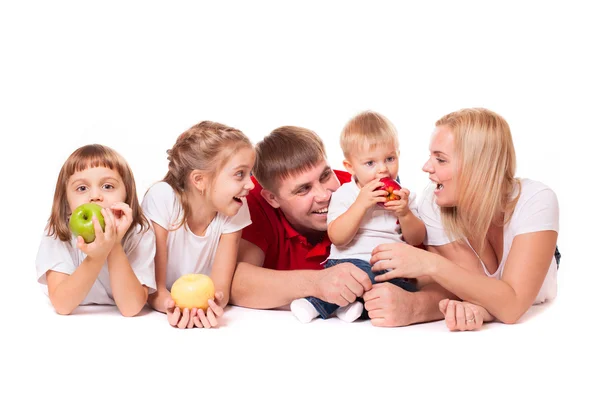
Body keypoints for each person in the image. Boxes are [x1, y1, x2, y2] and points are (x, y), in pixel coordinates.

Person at [370, 108, 560, 331]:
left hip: (540, 255)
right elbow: (465, 290)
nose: (426, 167)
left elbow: (511, 306)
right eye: (431, 156)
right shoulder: (434, 202)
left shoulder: (537, 199)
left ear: (478, 167)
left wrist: (427, 263)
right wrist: (480, 306)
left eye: (440, 159)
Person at [289, 111, 424, 323]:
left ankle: (356, 307)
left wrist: (404, 213)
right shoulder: (345, 194)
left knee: (401, 289)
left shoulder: (404, 196)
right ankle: (313, 303)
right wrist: (361, 204)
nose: (383, 169)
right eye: (370, 163)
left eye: (390, 158)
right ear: (350, 167)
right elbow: (338, 237)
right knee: (358, 276)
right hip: (350, 264)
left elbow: (416, 239)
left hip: (389, 270)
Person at [230, 126, 375, 312]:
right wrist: (316, 283)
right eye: (303, 189)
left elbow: (414, 265)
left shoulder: (358, 191)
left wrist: (414, 304)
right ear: (272, 198)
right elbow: (236, 283)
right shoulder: (254, 202)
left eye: (325, 176)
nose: (324, 195)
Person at [142, 121, 255, 329]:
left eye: (250, 173)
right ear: (199, 180)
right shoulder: (163, 197)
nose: (251, 184)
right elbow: (154, 288)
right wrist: (170, 306)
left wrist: (213, 304)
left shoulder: (236, 206)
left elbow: (221, 288)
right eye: (240, 174)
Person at [35, 144, 156, 316]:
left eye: (107, 186)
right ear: (67, 205)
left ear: (126, 196)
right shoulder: (58, 232)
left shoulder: (139, 231)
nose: (95, 196)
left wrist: (113, 244)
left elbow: (131, 308)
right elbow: (62, 305)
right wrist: (97, 256)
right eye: (82, 188)